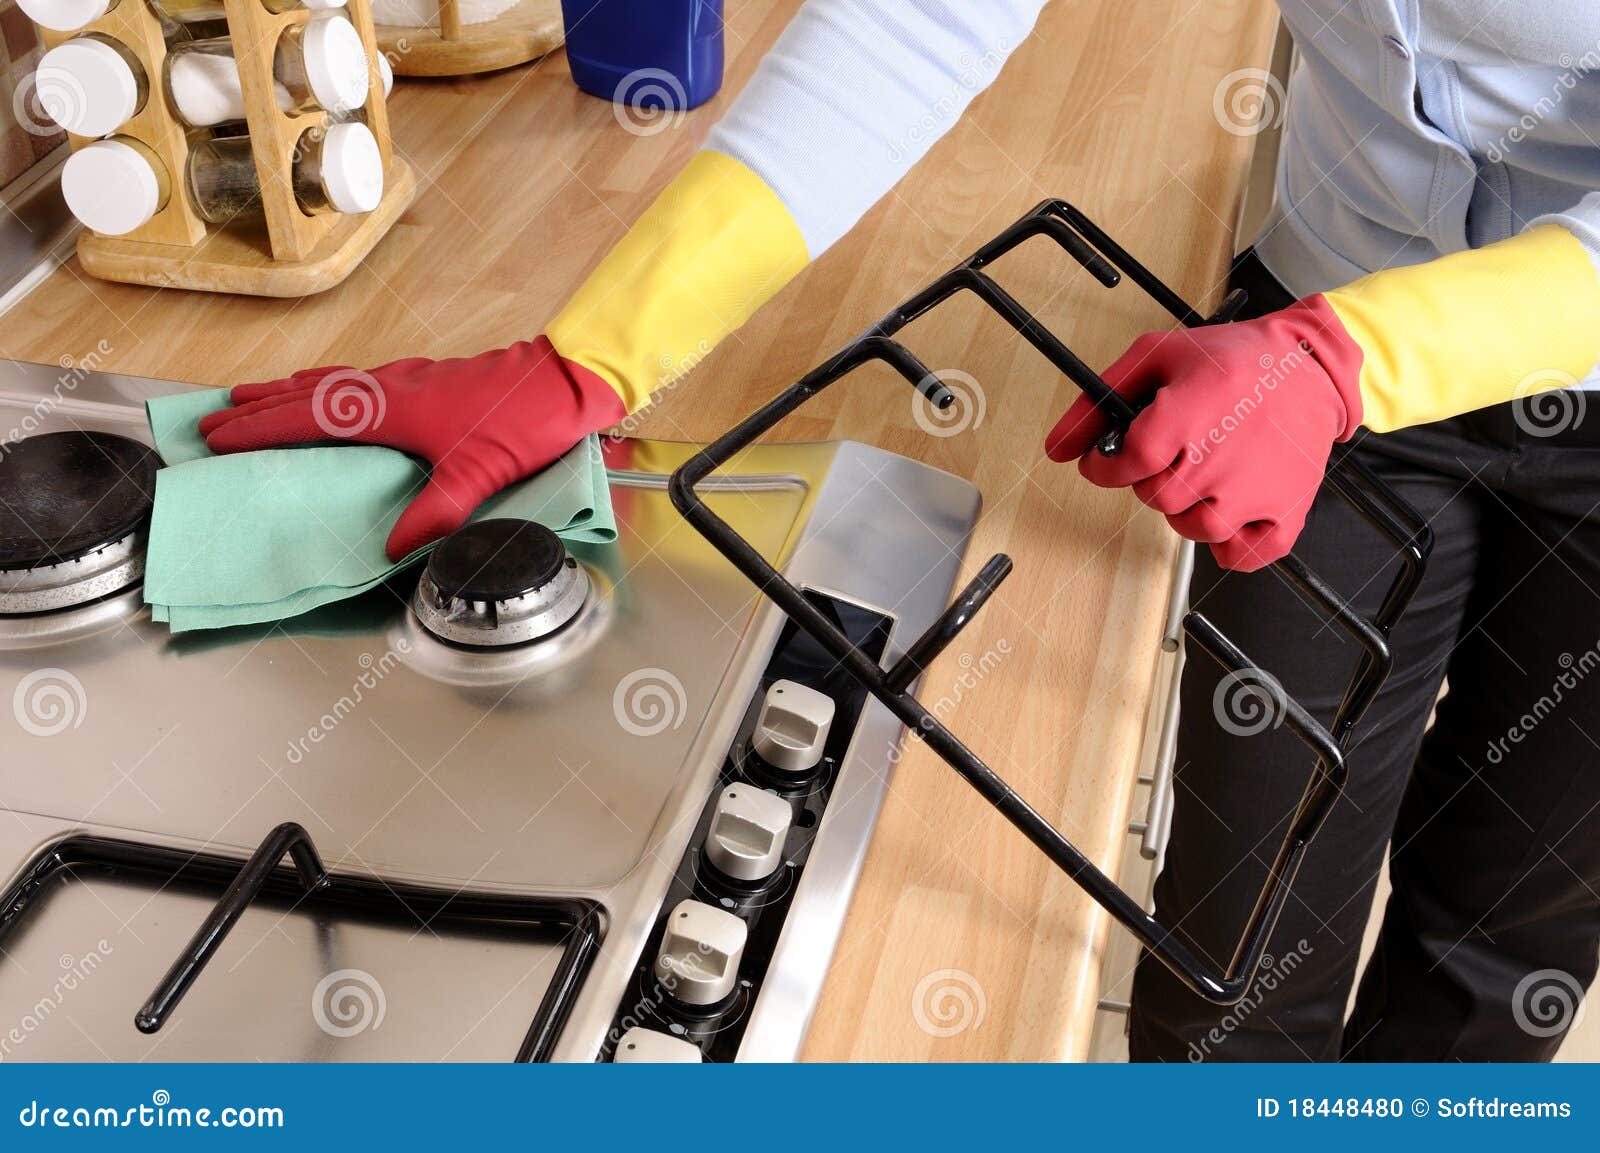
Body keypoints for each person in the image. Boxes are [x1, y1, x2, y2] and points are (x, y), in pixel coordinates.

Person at [198, 2, 1600, 1061]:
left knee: (1500, 942)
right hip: (1311, 328)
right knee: (1234, 950)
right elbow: (923, 15)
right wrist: (592, 358)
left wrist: (1355, 358)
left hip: (1442, 375)